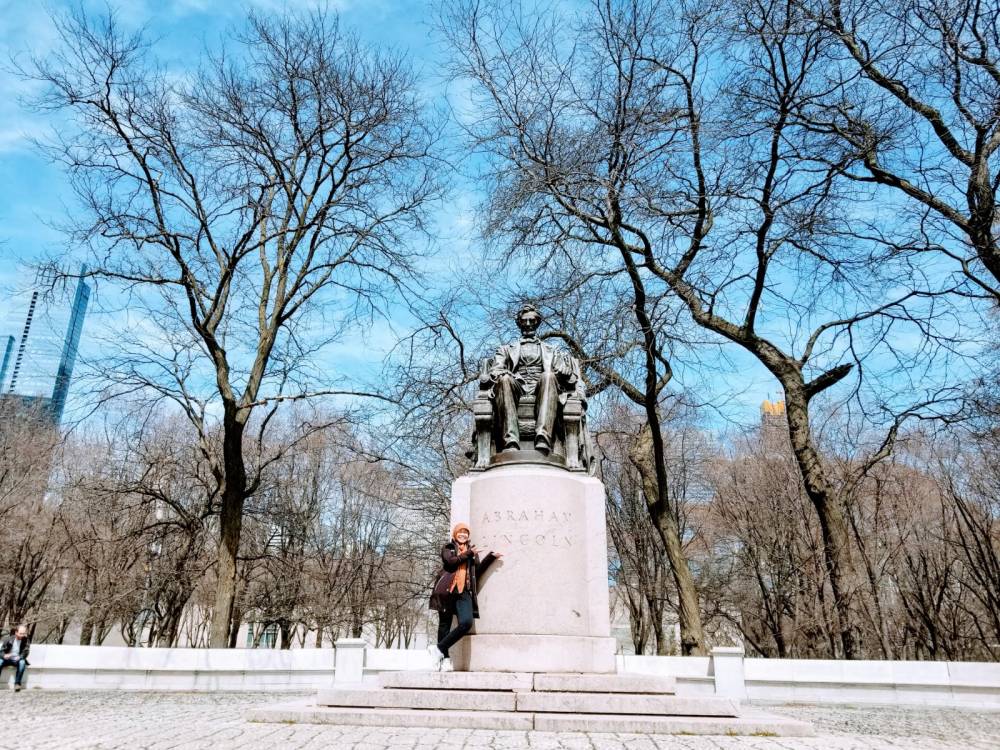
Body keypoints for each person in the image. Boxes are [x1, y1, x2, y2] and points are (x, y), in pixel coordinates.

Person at [488, 304, 583, 454]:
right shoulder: (505, 349)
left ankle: (543, 438)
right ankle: (510, 440)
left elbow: (569, 378)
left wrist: (566, 372)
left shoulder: (551, 350)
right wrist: (507, 374)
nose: (528, 324)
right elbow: (495, 370)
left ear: (537, 322)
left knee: (548, 375)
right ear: (519, 323)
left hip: (542, 387)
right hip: (516, 386)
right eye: (524, 321)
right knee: (504, 379)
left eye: (531, 320)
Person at [428, 523, 502, 671]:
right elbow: (451, 562)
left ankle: (439, 648)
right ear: (455, 534)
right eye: (460, 532)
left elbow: (477, 572)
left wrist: (490, 558)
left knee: (466, 623)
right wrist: (469, 553)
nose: (463, 535)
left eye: (465, 532)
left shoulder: (471, 551)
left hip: (464, 592)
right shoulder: (448, 547)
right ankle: (444, 659)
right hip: (447, 591)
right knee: (444, 625)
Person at [0, 625, 30, 691]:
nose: (22, 635)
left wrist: (20, 657)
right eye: (20, 633)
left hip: (17, 659)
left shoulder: (26, 640)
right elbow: (1, 651)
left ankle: (17, 684)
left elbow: (26, 652)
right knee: (0, 662)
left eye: (23, 633)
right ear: (16, 632)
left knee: (22, 663)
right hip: (7, 659)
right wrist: (4, 655)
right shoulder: (8, 639)